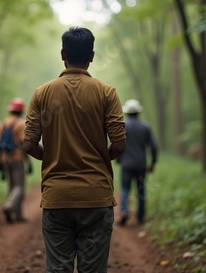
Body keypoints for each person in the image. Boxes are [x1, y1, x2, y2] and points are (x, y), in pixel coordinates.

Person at [23, 27, 126, 273]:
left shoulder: (42, 93)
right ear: (91, 56)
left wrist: (53, 156)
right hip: (95, 196)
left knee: (58, 268)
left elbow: (28, 144)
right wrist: (102, 159)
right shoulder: (107, 93)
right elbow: (120, 145)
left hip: (57, 197)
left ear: (62, 54)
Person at [117, 99, 158, 226]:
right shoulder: (145, 126)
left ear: (127, 113)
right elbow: (154, 146)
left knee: (125, 189)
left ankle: (124, 211)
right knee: (141, 191)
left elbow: (118, 143)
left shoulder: (122, 125)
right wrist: (153, 162)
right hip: (141, 165)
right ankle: (140, 217)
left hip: (126, 164)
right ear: (138, 112)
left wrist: (118, 159)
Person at [0, 97, 31, 224]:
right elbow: (24, 144)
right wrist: (28, 161)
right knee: (19, 187)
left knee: (11, 186)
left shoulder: (2, 123)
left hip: (5, 158)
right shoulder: (21, 124)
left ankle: (17, 215)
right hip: (17, 158)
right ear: (21, 111)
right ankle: (10, 207)